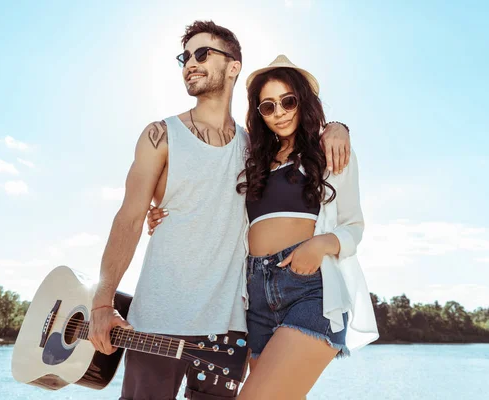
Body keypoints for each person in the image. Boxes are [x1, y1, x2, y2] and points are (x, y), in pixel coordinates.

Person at [89, 20, 351, 400]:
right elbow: (128, 219)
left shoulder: (255, 151)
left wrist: (339, 127)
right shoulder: (160, 135)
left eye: (201, 53)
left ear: (232, 66)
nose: (189, 64)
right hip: (158, 319)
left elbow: (300, 146)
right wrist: (102, 301)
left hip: (228, 330)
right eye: (184, 57)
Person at [148, 55, 378, 399]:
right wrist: (166, 215)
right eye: (268, 106)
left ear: (304, 101)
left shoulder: (328, 150)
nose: (280, 112)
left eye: (288, 101)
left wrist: (321, 244)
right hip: (255, 297)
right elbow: (212, 205)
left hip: (309, 291)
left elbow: (354, 226)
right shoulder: (251, 159)